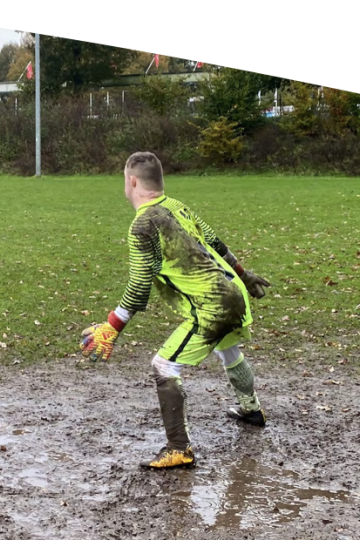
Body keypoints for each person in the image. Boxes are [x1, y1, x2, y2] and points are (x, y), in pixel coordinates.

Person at [80, 151, 271, 470]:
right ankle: (250, 408)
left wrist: (112, 326)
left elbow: (140, 284)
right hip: (231, 294)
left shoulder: (143, 224)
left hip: (213, 304)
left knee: (164, 366)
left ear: (131, 181)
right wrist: (244, 274)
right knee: (229, 351)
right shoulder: (177, 205)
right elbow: (215, 242)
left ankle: (179, 449)